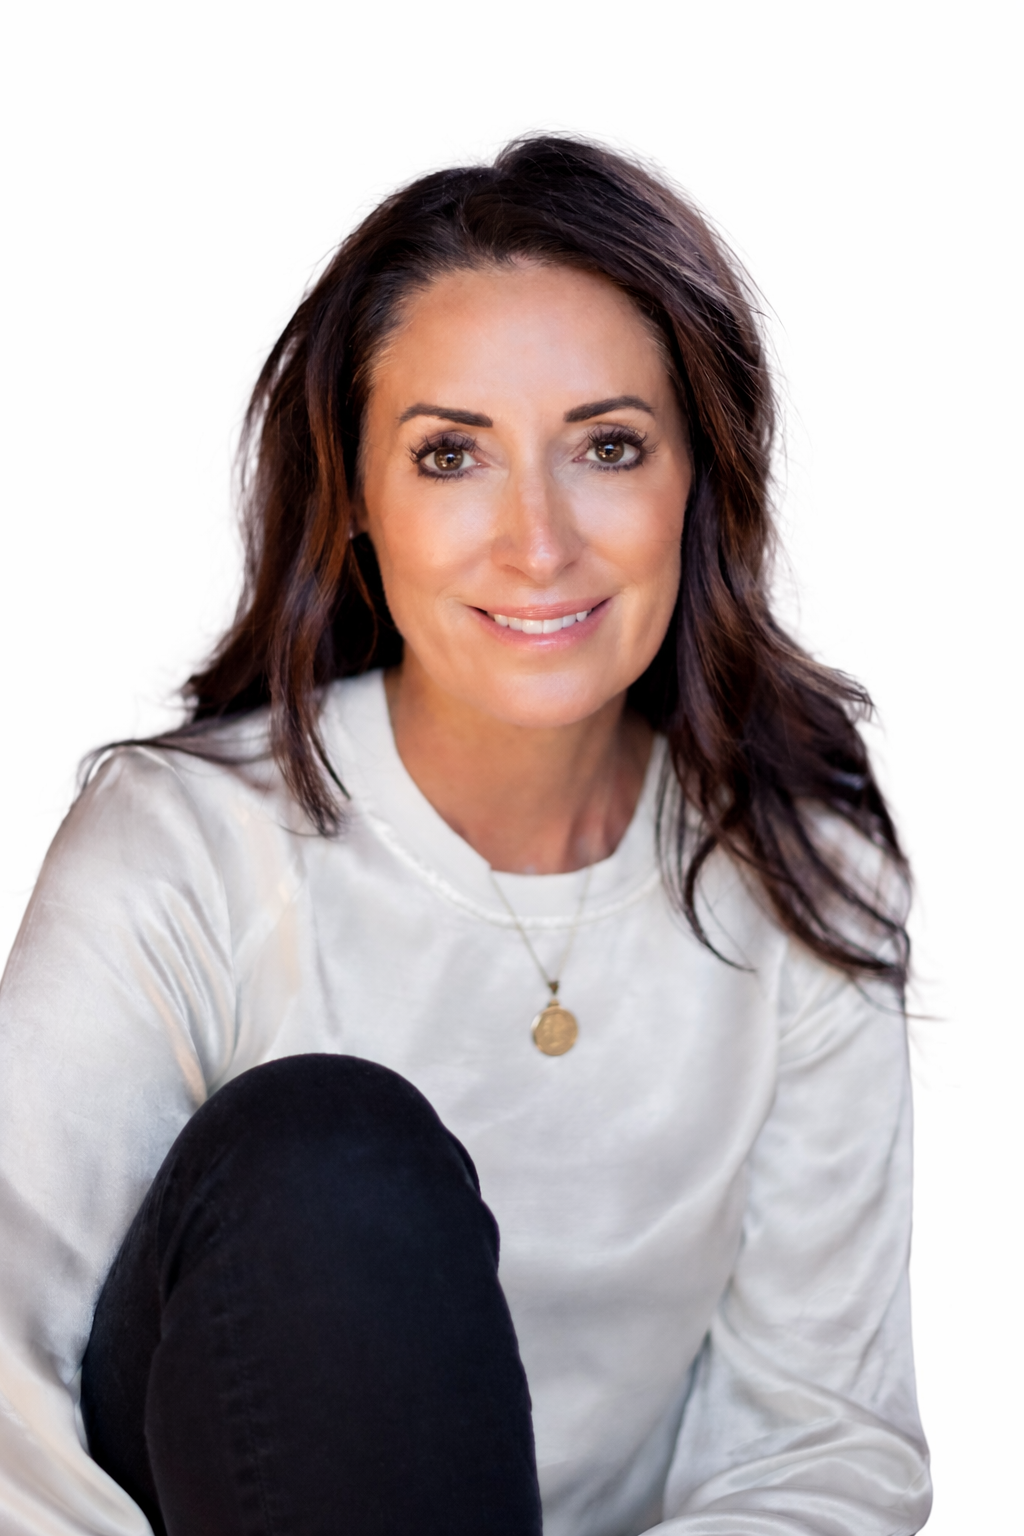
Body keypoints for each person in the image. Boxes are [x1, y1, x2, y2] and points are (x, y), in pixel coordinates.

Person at [0, 135, 932, 1536]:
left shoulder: (802, 879)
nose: (538, 543)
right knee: (332, 1156)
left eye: (608, 447)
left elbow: (819, 1453)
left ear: (701, 481)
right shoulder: (184, 847)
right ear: (356, 505)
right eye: (452, 456)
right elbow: (9, 1391)